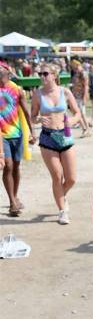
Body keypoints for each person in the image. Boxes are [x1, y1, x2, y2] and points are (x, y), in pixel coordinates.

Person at [31, 64, 81, 224]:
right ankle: (62, 211)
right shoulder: (37, 94)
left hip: (65, 136)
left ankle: (61, 194)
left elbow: (77, 113)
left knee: (72, 178)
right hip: (47, 138)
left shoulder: (65, 92)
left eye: (45, 73)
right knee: (57, 176)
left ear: (54, 75)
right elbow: (32, 117)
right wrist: (38, 119)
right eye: (40, 74)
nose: (42, 76)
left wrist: (71, 121)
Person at [0, 60, 34, 216]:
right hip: (2, 135)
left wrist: (32, 132)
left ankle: (14, 196)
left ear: (8, 74)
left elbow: (26, 112)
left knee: (16, 166)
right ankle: (12, 202)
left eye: (3, 73)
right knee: (7, 166)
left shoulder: (16, 89)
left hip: (17, 133)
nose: (1, 76)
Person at [71, 61, 91, 137]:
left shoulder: (83, 73)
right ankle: (84, 129)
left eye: (75, 66)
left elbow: (86, 86)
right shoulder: (76, 73)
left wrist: (84, 97)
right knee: (77, 113)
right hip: (75, 96)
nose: (74, 67)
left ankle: (86, 129)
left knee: (81, 113)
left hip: (80, 96)